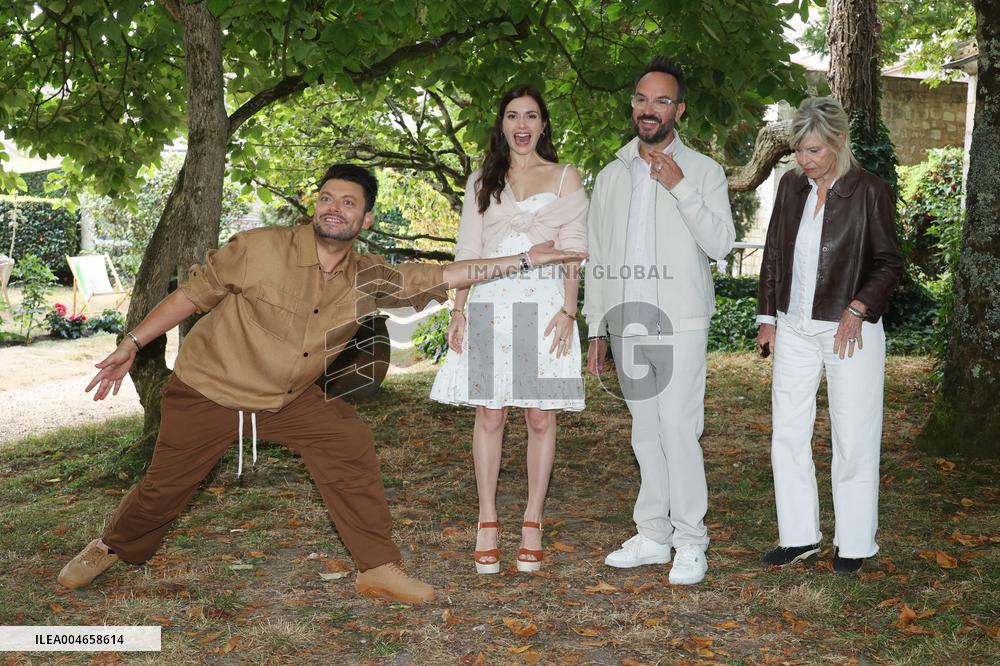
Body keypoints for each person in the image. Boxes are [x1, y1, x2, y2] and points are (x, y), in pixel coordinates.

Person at [57, 164, 586, 602]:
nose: (335, 207)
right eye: (327, 198)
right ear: (316, 206)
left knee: (348, 441)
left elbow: (443, 275)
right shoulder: (259, 248)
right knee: (163, 489)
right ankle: (111, 545)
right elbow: (191, 297)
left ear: (366, 218)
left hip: (285, 400)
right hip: (208, 390)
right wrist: (132, 342)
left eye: (349, 202)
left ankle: (377, 566)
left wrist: (523, 259)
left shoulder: (370, 276)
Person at [583, 57, 735, 585]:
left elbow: (720, 245)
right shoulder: (610, 175)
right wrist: (596, 327)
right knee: (645, 433)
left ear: (680, 110)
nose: (650, 109)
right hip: (628, 324)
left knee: (678, 430)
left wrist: (680, 186)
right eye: (642, 99)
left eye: (662, 100)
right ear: (633, 105)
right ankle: (653, 535)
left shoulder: (705, 172)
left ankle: (692, 540)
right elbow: (598, 256)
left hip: (682, 322)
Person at [430, 84, 587, 574]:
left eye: (532, 116)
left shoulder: (565, 177)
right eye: (513, 116)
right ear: (502, 124)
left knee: (541, 418)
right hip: (490, 304)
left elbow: (574, 249)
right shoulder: (482, 179)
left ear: (543, 125)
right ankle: (487, 518)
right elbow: (467, 255)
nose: (522, 125)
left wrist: (568, 310)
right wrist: (458, 311)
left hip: (545, 310)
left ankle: (533, 520)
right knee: (490, 415)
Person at [756, 97, 902, 574]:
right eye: (799, 151)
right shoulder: (791, 188)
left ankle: (855, 542)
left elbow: (888, 262)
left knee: (854, 435)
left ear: (839, 142)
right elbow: (774, 254)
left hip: (849, 331)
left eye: (814, 151)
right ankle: (798, 538)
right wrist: (768, 318)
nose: (804, 160)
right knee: (788, 433)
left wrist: (858, 308)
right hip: (795, 328)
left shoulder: (870, 191)